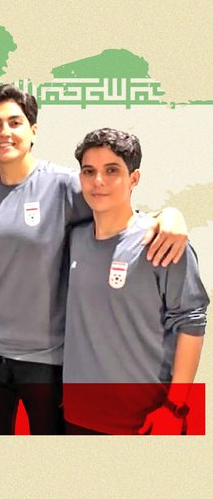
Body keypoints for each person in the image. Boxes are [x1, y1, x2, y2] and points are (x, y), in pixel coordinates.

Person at [0, 85, 190, 435]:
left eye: (14, 123)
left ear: (33, 131)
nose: (4, 132)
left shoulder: (66, 185)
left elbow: (119, 209)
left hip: (48, 359)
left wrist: (170, 215)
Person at [63, 128, 207, 435]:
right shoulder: (73, 239)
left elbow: (191, 323)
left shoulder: (162, 242)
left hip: (147, 422)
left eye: (111, 170)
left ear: (134, 178)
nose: (98, 181)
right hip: (77, 419)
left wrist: (175, 407)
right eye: (89, 171)